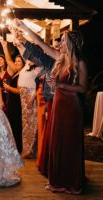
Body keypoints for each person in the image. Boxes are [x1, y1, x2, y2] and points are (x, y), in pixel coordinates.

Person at [14, 19, 87, 194]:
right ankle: (58, 181)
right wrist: (24, 28)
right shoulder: (59, 58)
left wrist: (62, 86)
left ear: (70, 44)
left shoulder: (80, 63)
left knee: (69, 142)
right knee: (58, 142)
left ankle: (71, 183)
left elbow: (83, 88)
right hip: (58, 105)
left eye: (62, 40)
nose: (60, 43)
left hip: (71, 106)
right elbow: (39, 43)